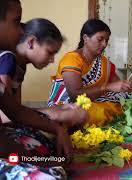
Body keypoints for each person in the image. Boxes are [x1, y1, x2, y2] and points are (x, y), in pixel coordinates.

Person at [0, 1, 86, 177]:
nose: (22, 30)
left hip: (6, 138)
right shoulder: (7, 59)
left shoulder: (15, 64)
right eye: (17, 22)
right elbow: (7, 119)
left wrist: (57, 128)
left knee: (49, 155)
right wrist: (33, 160)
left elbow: (16, 110)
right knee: (49, 172)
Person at [48, 19, 132, 126]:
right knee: (91, 112)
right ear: (86, 38)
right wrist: (106, 87)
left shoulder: (104, 62)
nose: (104, 44)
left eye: (107, 40)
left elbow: (118, 87)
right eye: (100, 39)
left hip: (95, 100)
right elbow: (74, 96)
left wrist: (131, 84)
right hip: (70, 104)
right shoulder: (72, 59)